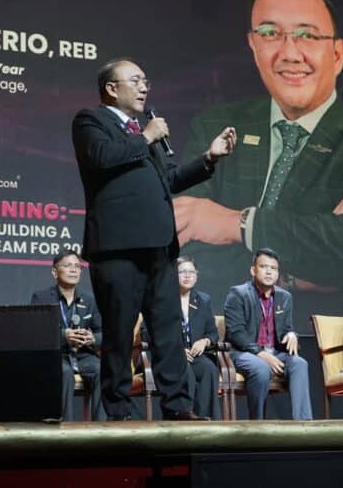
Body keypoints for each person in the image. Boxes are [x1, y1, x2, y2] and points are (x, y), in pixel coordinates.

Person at [173, 0, 343, 305]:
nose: (290, 53)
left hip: (309, 336)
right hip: (215, 329)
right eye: (270, 33)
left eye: (308, 36)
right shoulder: (215, 126)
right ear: (253, 46)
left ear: (338, 55)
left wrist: (237, 225)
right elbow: (183, 243)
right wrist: (305, 258)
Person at [72, 57, 237, 421]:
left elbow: (171, 179)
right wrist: (145, 136)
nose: (145, 86)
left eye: (146, 80)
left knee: (167, 331)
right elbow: (101, 158)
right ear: (112, 89)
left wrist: (209, 158)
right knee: (118, 332)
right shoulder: (91, 121)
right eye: (136, 80)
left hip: (160, 249)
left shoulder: (141, 130)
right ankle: (118, 412)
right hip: (117, 249)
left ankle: (177, 407)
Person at [223, 248, 312, 420]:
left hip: (275, 352)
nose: (269, 271)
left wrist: (292, 333)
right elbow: (236, 332)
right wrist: (261, 354)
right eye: (264, 266)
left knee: (300, 364)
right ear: (253, 270)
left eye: (274, 268)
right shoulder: (238, 294)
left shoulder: (285, 297)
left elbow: (286, 328)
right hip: (243, 352)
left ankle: (303, 424)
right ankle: (258, 423)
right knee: (260, 367)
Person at [141, 256, 222, 420]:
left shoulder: (203, 300)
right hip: (171, 356)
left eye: (191, 272)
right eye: (182, 271)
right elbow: (147, 331)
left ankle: (208, 419)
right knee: (185, 372)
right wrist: (175, 348)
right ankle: (184, 418)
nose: (187, 275)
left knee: (209, 369)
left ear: (197, 275)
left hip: (196, 354)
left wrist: (204, 341)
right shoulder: (162, 299)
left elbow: (212, 332)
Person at [30, 250, 106, 421]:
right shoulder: (41, 297)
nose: (74, 270)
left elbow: (102, 332)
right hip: (58, 355)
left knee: (102, 370)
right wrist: (65, 336)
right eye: (68, 266)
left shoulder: (89, 300)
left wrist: (93, 338)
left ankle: (101, 428)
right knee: (64, 373)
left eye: (77, 266)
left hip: (83, 355)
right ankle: (66, 428)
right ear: (55, 272)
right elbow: (37, 333)